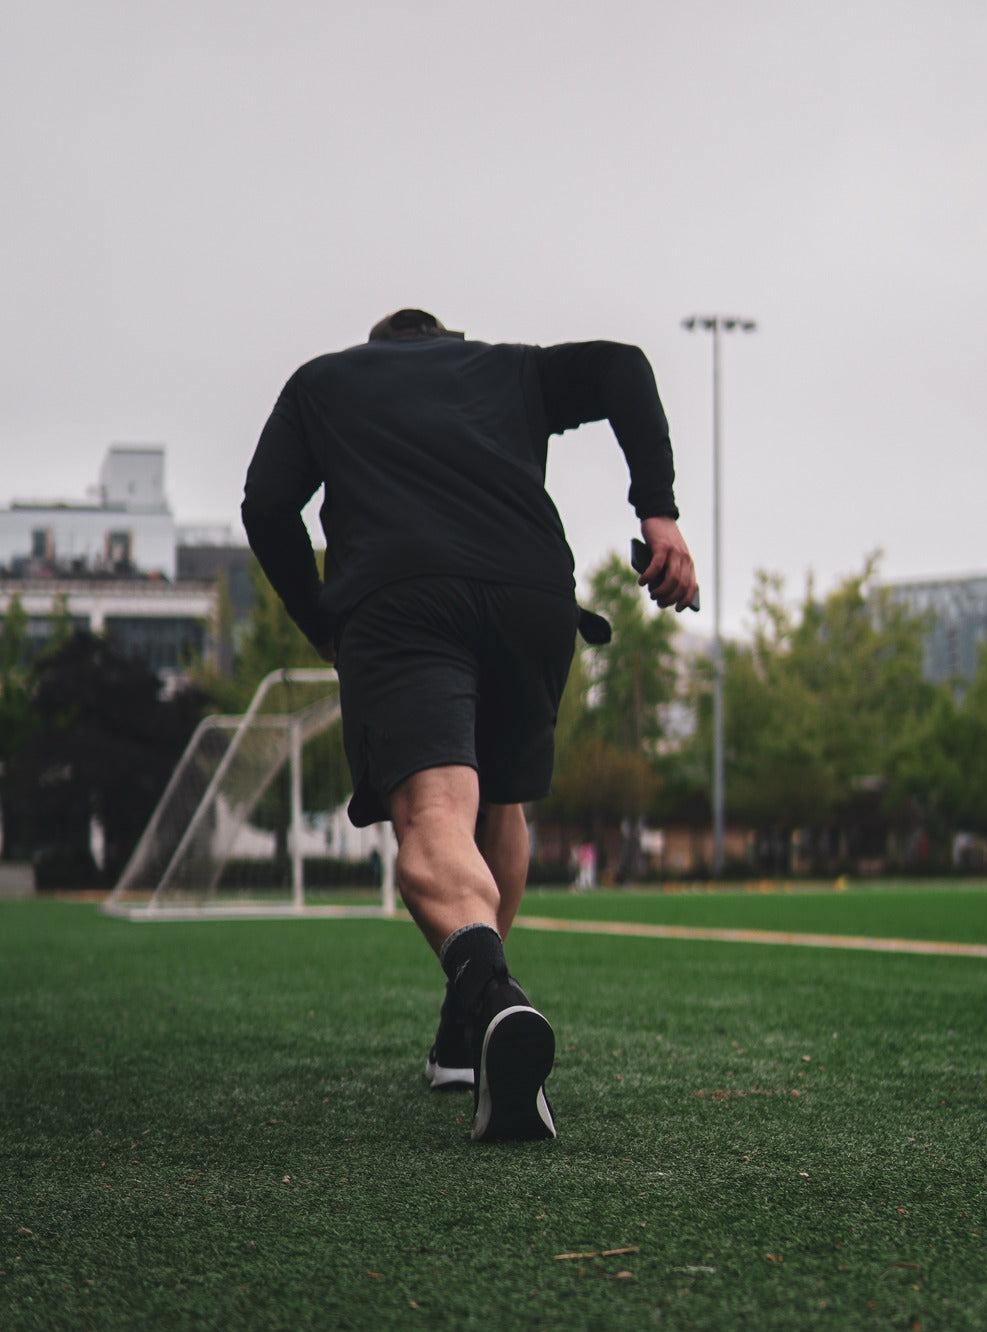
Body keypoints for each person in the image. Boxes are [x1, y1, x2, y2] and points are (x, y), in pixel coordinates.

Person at [241, 308, 697, 1142]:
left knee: (433, 813)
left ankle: (492, 993)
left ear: (378, 347)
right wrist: (658, 513)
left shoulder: (324, 382)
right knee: (503, 801)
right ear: (445, 342)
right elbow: (625, 366)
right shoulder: (507, 370)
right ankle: (464, 1037)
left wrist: (326, 625)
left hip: (403, 599)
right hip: (533, 595)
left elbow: (268, 506)